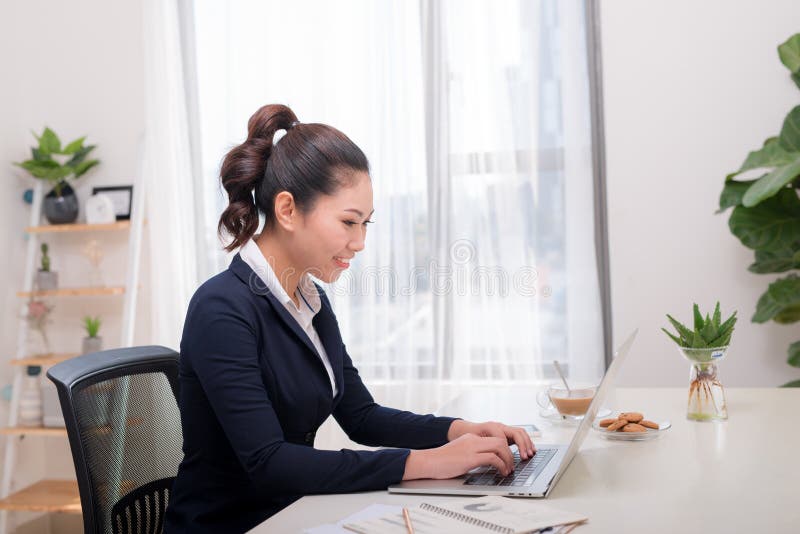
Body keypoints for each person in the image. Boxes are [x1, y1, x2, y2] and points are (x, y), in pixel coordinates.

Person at [163, 104, 536, 533]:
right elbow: (269, 462)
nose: (359, 242)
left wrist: (460, 431)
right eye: (348, 222)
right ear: (287, 210)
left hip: (294, 516)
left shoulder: (310, 300)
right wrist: (425, 463)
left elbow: (361, 416)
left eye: (365, 224)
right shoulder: (222, 309)